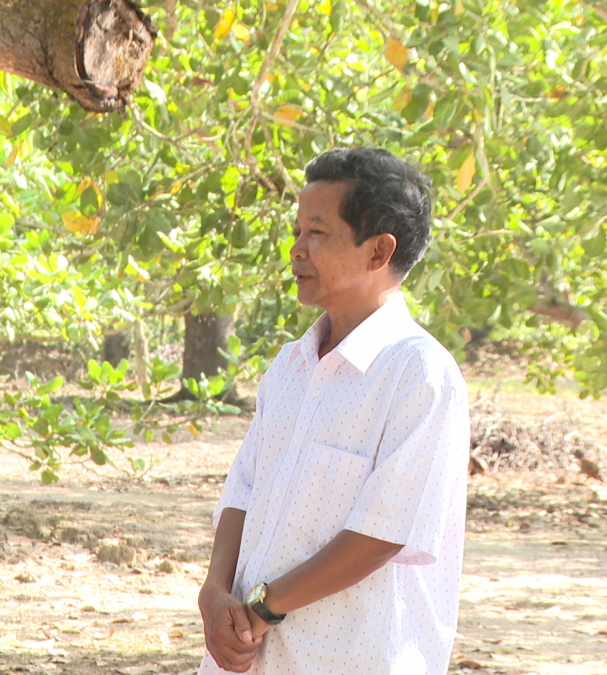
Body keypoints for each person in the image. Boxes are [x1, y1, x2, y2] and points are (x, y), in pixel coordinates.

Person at [197, 147, 469, 674]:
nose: (297, 250)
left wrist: (262, 605)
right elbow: (244, 491)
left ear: (378, 251)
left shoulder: (419, 375)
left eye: (316, 234)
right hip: (249, 655)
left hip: (351, 658)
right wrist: (213, 594)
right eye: (297, 232)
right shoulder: (290, 366)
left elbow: (381, 533)